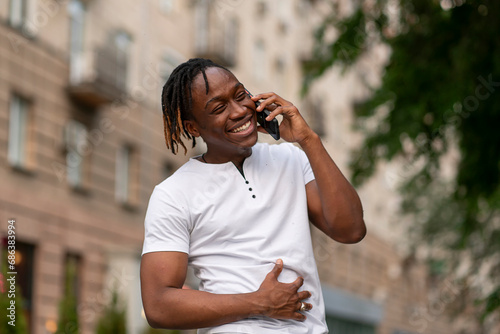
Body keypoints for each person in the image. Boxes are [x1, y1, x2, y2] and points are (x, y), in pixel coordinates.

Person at [140, 58, 366, 333]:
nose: (239, 111)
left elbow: (351, 230)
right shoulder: (173, 194)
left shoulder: (291, 158)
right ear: (193, 128)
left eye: (240, 95)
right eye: (219, 108)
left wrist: (309, 140)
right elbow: (159, 304)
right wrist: (258, 303)